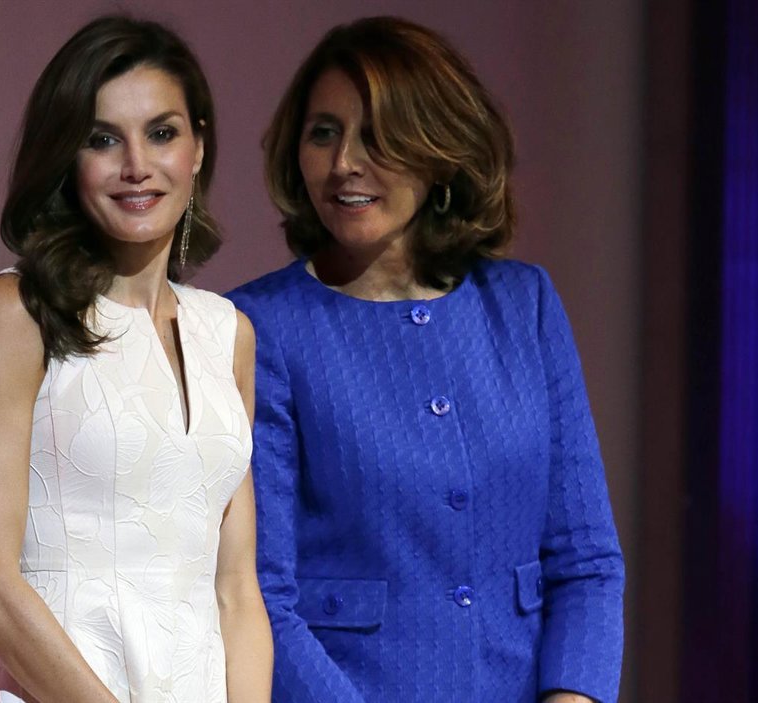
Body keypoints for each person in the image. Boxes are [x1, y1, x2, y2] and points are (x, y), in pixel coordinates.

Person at [227, 16, 625, 703]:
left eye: (378, 136)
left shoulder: (524, 305)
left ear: (439, 150)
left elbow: (585, 563)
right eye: (324, 133)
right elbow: (262, 595)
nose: (344, 161)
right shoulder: (261, 327)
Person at [0, 16, 273, 703]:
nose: (136, 165)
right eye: (102, 139)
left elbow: (236, 588)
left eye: (161, 133)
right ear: (67, 158)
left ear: (198, 147)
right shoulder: (17, 312)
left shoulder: (227, 333)